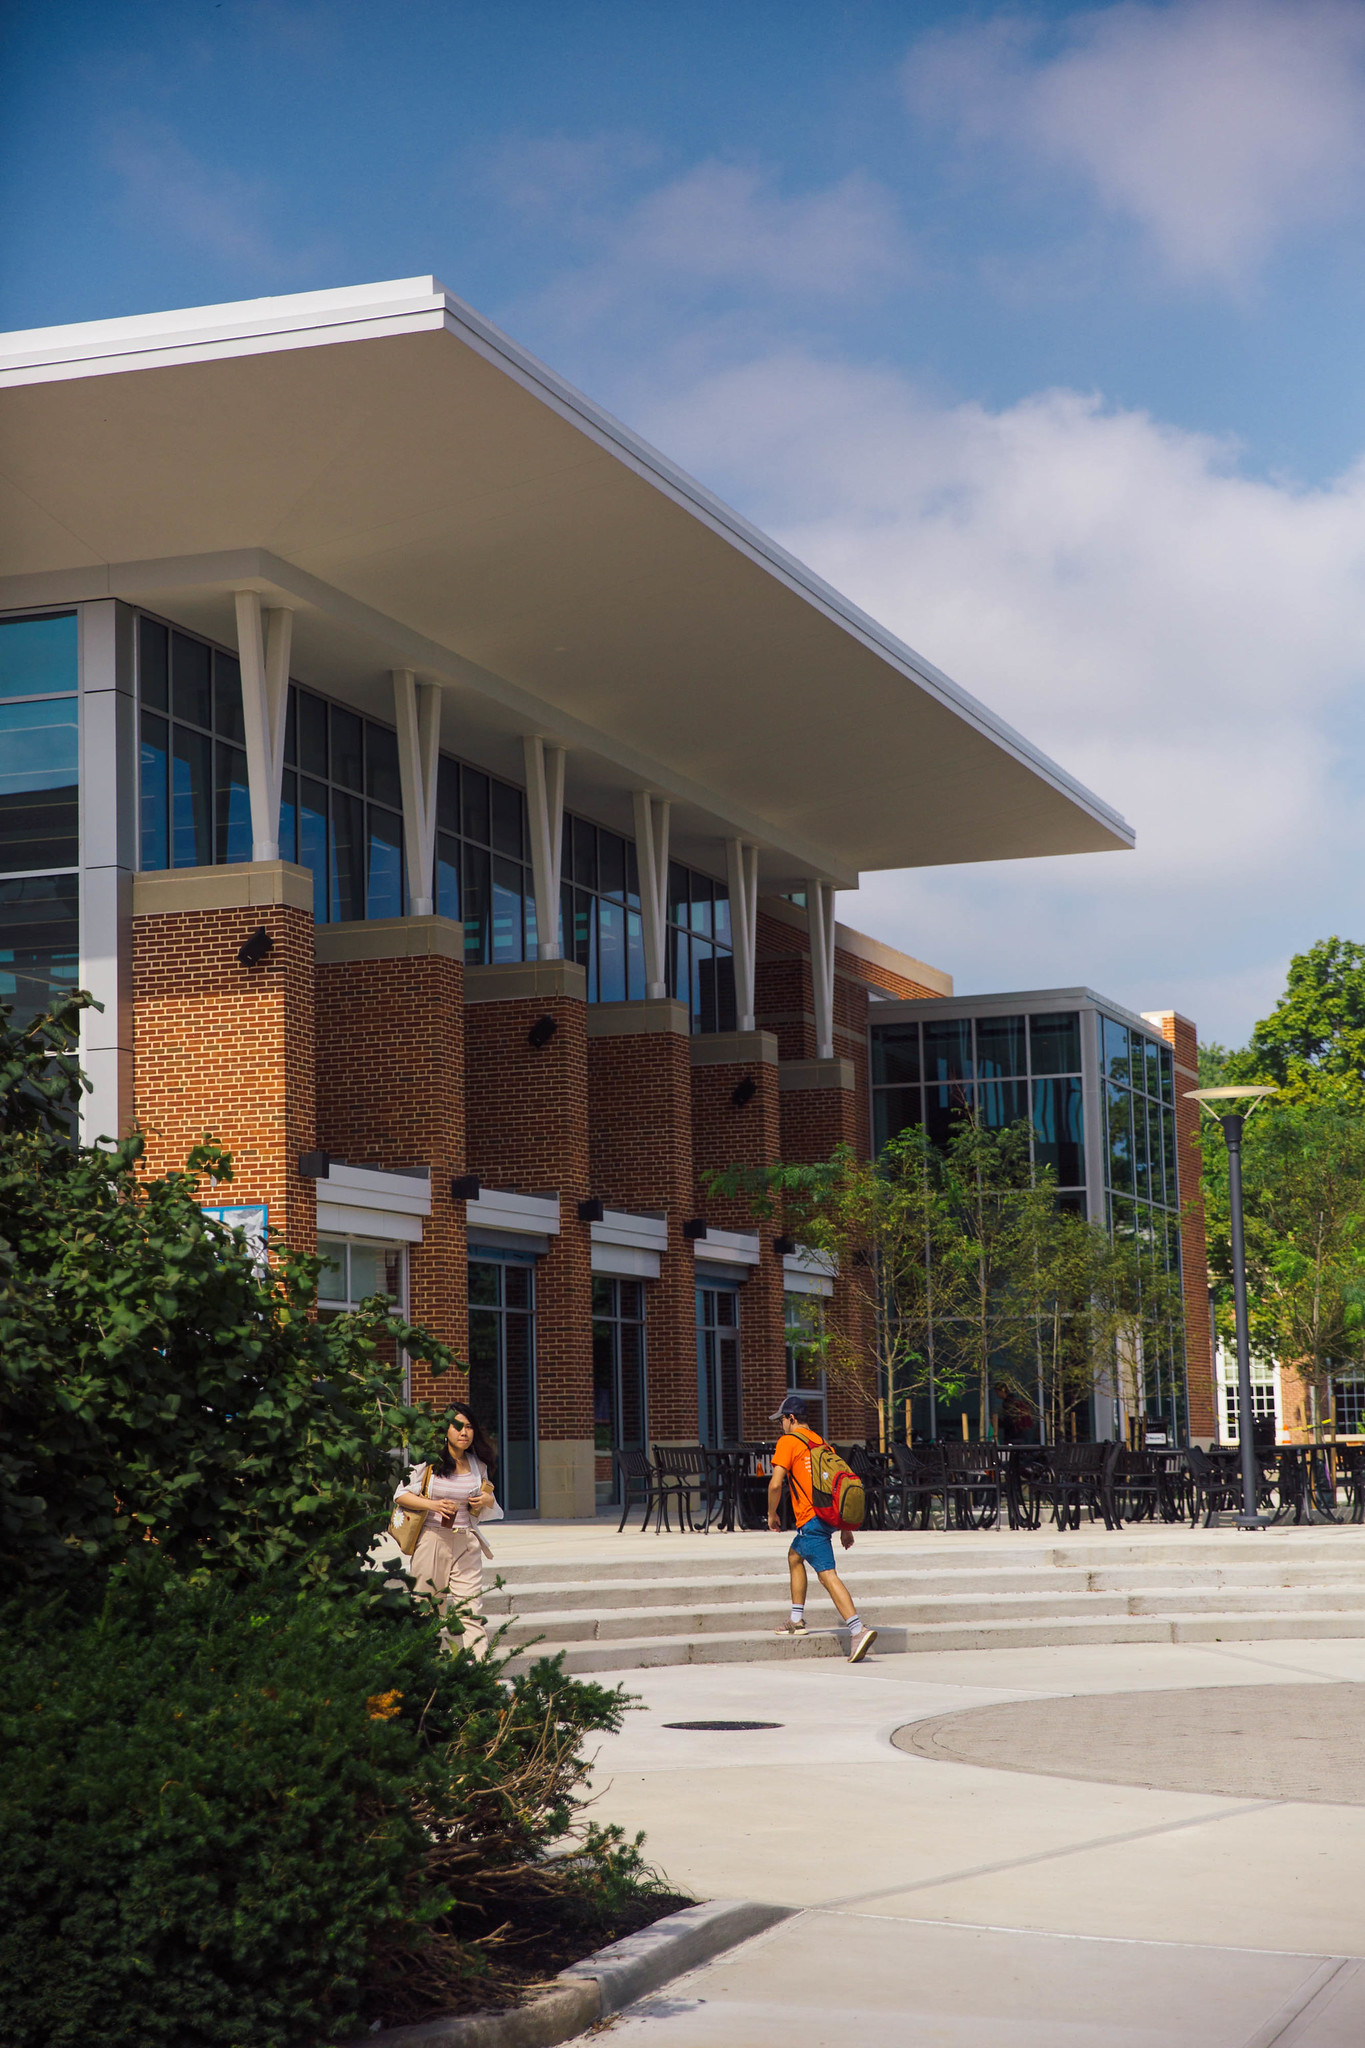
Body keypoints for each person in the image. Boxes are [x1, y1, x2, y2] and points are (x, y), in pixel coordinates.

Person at [767, 1398, 877, 1663]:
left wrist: (771, 1514)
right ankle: (796, 1619)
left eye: (781, 1420)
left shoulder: (789, 1441)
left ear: (791, 1419)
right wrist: (844, 1526)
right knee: (795, 1556)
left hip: (811, 1519)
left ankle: (857, 1629)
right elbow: (834, 1483)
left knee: (827, 1575)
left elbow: (775, 1484)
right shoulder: (819, 1441)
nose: (780, 1425)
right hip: (828, 1516)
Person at [394, 1405, 503, 1659]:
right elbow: (400, 1494)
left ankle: (481, 1672)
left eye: (469, 1427)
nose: (464, 1432)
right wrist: (433, 1504)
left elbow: (490, 1500)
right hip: (433, 1539)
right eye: (457, 1426)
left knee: (471, 1610)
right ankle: (426, 1667)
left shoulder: (478, 1465)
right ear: (445, 1431)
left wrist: (485, 1501)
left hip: (466, 1541)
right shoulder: (428, 1460)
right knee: (429, 1607)